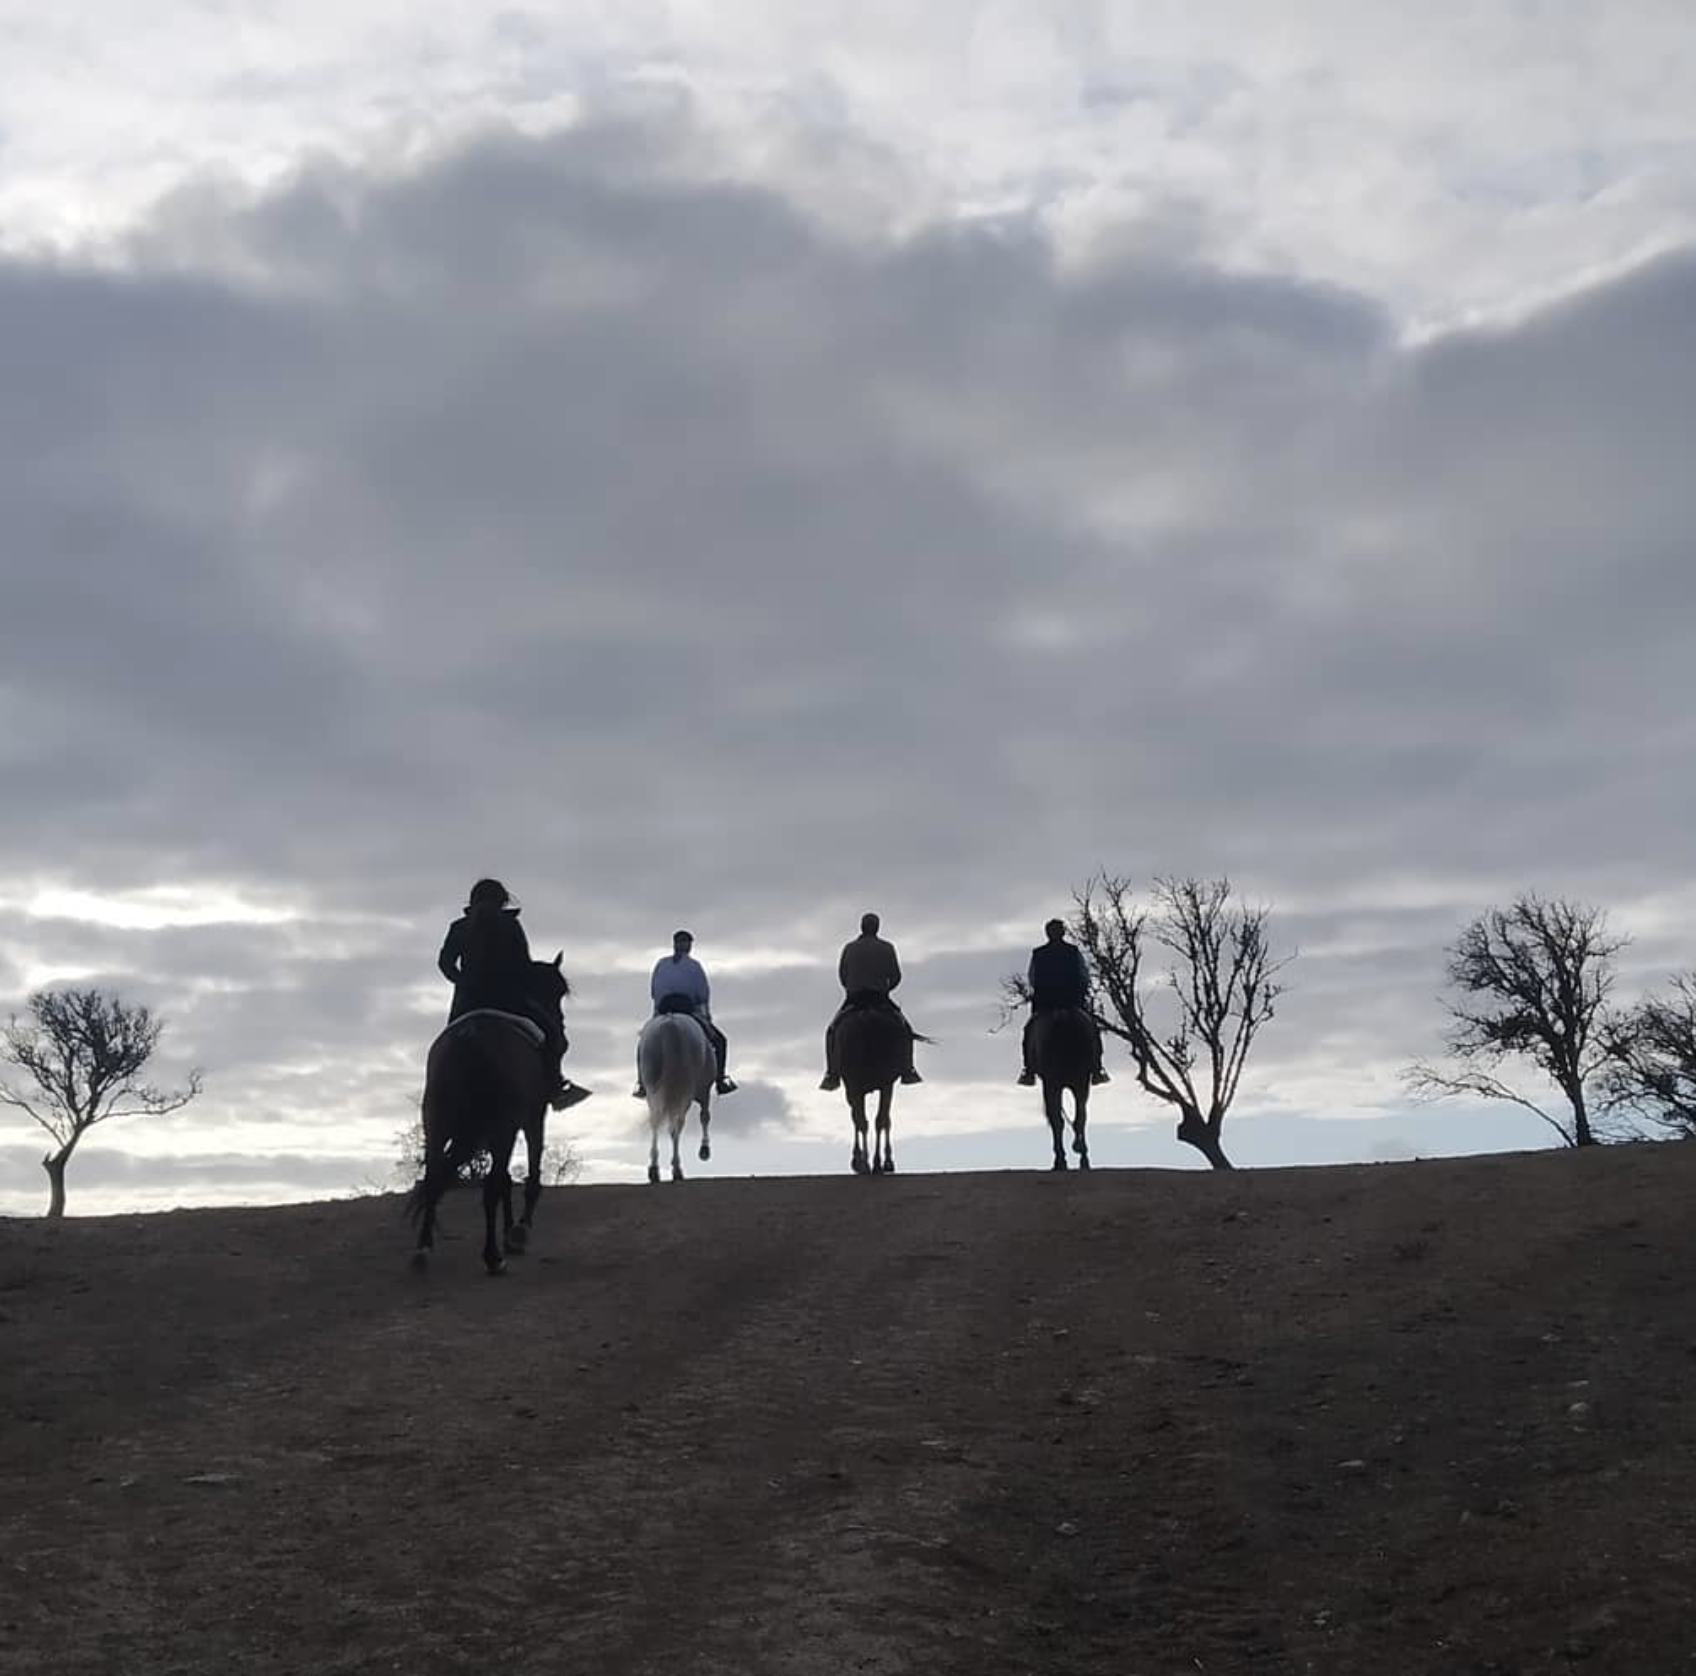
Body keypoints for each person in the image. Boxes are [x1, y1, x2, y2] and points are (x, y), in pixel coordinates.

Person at [438, 878, 588, 1110]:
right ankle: (555, 1087)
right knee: (551, 1036)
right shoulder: (511, 926)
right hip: (507, 1002)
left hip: (465, 1005)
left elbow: (445, 964)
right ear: (502, 901)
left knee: (444, 1050)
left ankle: (440, 1099)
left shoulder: (459, 927)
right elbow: (523, 967)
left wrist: (465, 983)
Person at [819, 911, 923, 1091]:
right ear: (877, 928)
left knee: (832, 1031)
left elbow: (842, 976)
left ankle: (832, 1074)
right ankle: (908, 1069)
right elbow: (896, 976)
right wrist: (886, 988)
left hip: (855, 999)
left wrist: (853, 986)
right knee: (905, 1029)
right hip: (880, 998)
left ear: (862, 927)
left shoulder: (849, 948)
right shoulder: (887, 947)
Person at [633, 929, 737, 1098]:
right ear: (688, 946)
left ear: (675, 945)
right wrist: (707, 1018)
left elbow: (654, 993)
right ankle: (720, 1080)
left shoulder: (661, 964)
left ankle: (642, 1083)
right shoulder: (694, 966)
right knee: (720, 1041)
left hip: (663, 1009)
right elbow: (702, 995)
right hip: (687, 1009)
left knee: (642, 1042)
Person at [1017, 917, 1109, 1087]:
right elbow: (1084, 976)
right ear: (1063, 933)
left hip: (1046, 1005)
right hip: (1072, 1003)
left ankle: (1028, 1071)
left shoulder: (1039, 954)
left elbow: (1033, 979)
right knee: (1092, 1030)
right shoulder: (1073, 952)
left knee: (1029, 1031)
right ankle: (1097, 1069)